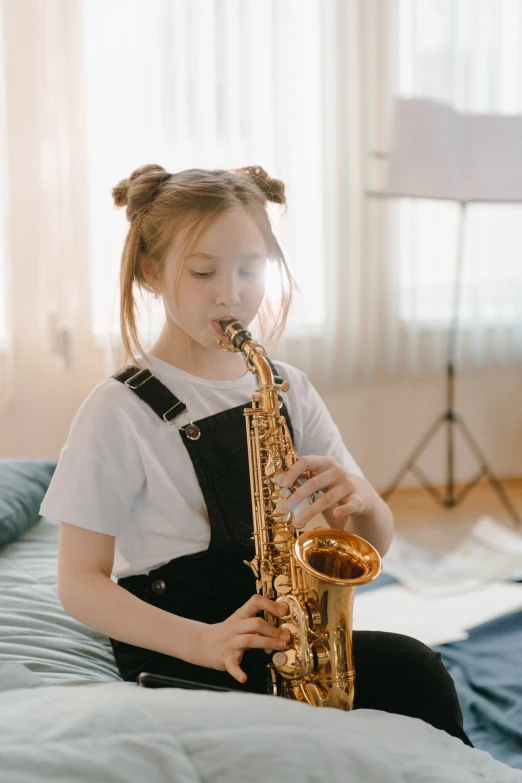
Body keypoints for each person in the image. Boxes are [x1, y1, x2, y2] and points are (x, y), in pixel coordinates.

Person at [40, 163, 472, 746]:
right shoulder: (116, 410)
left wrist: (360, 498)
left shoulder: (287, 384)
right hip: (180, 639)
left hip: (282, 630)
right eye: (202, 271)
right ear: (150, 270)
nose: (231, 294)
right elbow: (79, 583)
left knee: (417, 670)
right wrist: (204, 641)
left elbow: (373, 544)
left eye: (251, 269)